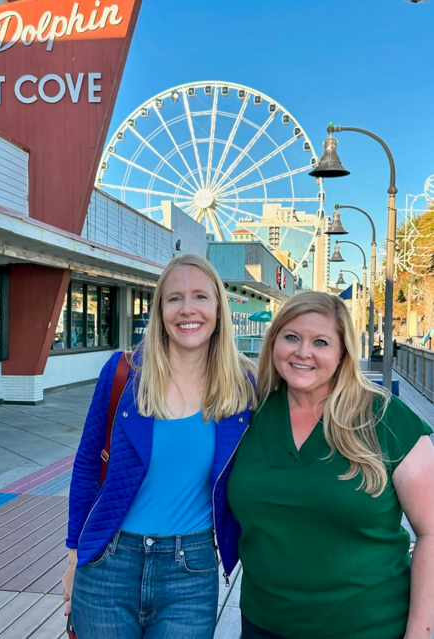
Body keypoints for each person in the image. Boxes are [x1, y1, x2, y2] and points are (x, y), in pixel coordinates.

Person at [63, 253, 257, 639]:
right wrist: (73, 557)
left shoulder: (245, 386)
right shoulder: (124, 373)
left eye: (200, 297)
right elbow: (87, 465)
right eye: (175, 298)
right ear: (160, 310)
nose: (188, 309)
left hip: (190, 571)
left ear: (219, 307)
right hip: (107, 562)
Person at [227, 291, 434, 639]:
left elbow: (430, 531)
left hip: (370, 628)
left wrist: (422, 631)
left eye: (320, 341)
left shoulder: (385, 418)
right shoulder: (246, 414)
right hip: (263, 626)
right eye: (291, 337)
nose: (303, 352)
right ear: (274, 342)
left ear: (342, 353)